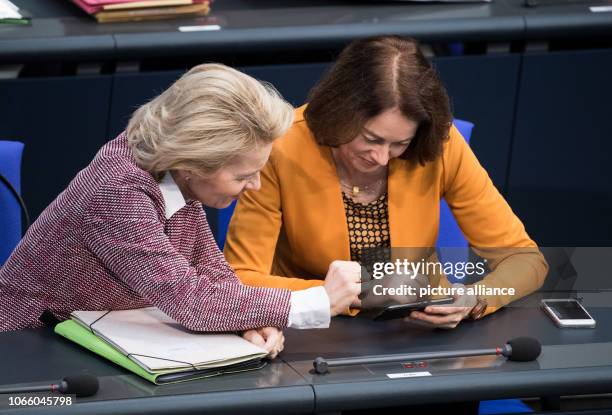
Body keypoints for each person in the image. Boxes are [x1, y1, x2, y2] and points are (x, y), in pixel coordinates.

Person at [0, 64, 360, 357]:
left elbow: (209, 269)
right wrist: (316, 301)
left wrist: (250, 318)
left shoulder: (172, 167)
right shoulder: (117, 190)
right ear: (193, 163)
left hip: (95, 333)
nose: (254, 187)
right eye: (243, 176)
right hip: (30, 347)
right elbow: (190, 299)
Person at [224, 36, 549, 329]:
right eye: (371, 139)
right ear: (340, 111)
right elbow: (241, 279)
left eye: (399, 144)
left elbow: (524, 259)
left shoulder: (441, 146)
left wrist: (476, 298)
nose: (381, 157)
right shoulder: (282, 148)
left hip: (419, 327)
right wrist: (334, 294)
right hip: (315, 328)